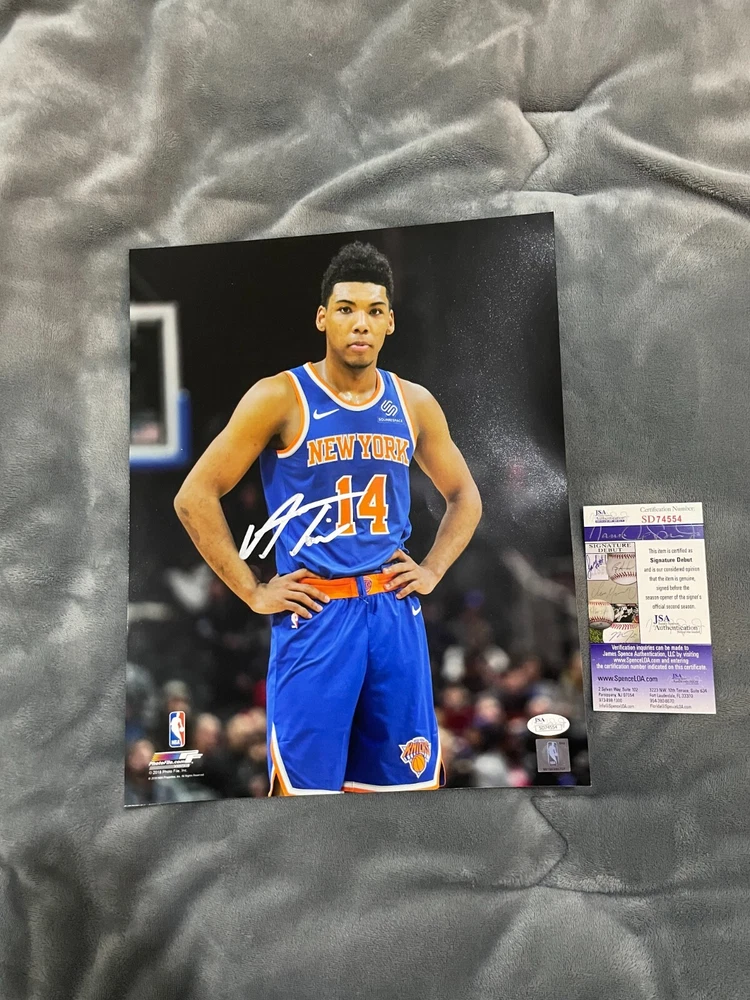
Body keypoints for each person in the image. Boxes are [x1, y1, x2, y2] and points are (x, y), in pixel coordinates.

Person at [174, 241, 482, 795]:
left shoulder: (413, 403)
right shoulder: (279, 396)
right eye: (345, 309)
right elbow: (194, 496)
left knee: (405, 798)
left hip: (394, 613)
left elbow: (465, 496)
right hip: (316, 614)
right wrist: (252, 590)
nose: (360, 323)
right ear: (322, 318)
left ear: (389, 322)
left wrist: (433, 569)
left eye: (373, 310)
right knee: (307, 803)